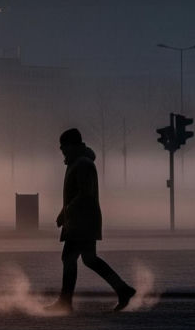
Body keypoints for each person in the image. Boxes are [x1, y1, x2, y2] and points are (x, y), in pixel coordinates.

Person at [48, 127, 136, 313]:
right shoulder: (78, 162)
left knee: (69, 258)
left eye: (63, 146)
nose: (61, 150)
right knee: (89, 259)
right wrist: (64, 212)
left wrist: (67, 212)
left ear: (72, 145)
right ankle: (123, 290)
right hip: (82, 220)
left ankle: (65, 302)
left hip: (82, 221)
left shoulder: (82, 164)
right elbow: (77, 194)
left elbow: (84, 193)